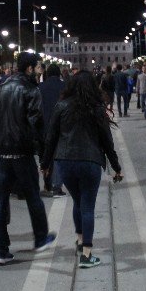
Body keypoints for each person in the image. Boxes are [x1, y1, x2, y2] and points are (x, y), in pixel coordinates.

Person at [41, 72, 123, 269]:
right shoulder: (96, 108)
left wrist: (45, 164)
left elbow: (51, 137)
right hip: (90, 161)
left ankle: (79, 240)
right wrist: (116, 167)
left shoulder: (61, 106)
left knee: (77, 201)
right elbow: (107, 141)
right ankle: (87, 255)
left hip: (65, 162)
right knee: (87, 206)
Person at [0, 52, 56, 265]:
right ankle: (41, 237)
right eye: (37, 67)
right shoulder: (30, 90)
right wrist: (45, 156)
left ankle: (0, 250)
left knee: (0, 201)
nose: (39, 70)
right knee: (33, 196)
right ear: (29, 69)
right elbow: (36, 123)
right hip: (21, 152)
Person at [38, 63, 65, 196]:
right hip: (61, 126)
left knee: (45, 156)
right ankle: (57, 186)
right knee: (58, 156)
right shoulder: (65, 87)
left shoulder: (40, 87)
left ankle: (47, 184)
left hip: (44, 127)